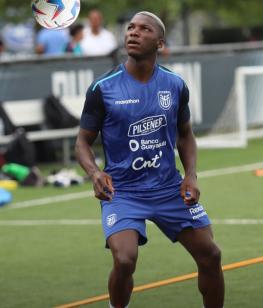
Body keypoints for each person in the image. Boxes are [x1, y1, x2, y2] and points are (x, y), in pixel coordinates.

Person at [75, 11, 224, 308]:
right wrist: (94, 173)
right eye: (130, 27)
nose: (133, 32)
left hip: (169, 188)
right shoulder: (103, 88)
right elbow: (82, 142)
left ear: (159, 42)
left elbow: (185, 135)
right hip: (123, 191)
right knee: (125, 259)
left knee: (211, 255)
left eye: (143, 29)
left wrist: (191, 175)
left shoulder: (175, 85)